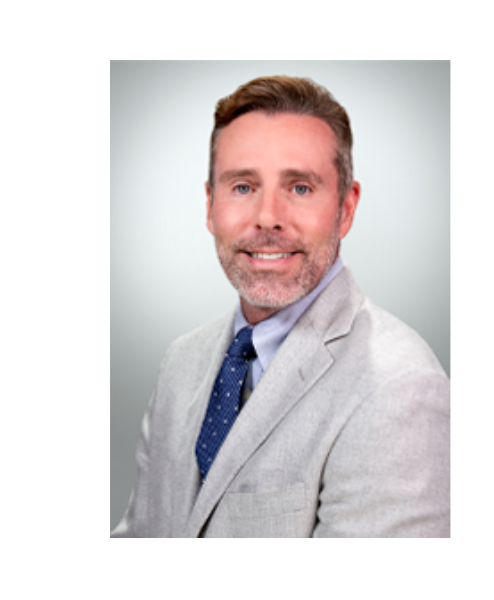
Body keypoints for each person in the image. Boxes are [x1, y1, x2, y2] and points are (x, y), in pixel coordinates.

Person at [111, 76, 450, 537]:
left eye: (300, 188)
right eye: (243, 187)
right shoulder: (181, 363)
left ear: (346, 209)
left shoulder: (398, 387)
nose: (268, 217)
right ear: (210, 206)